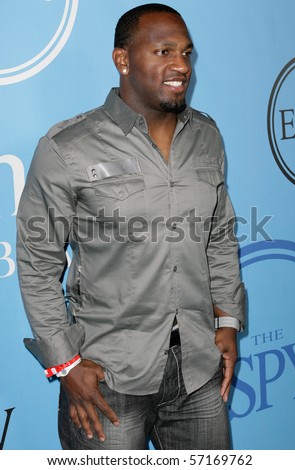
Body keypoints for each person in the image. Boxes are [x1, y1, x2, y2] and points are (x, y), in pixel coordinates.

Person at [17, 3, 246, 450]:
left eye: (185, 52)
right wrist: (65, 365)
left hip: (199, 371)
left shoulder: (207, 135)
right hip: (108, 378)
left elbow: (219, 236)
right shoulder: (68, 147)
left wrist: (229, 320)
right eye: (163, 51)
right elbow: (37, 262)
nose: (181, 65)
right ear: (122, 60)